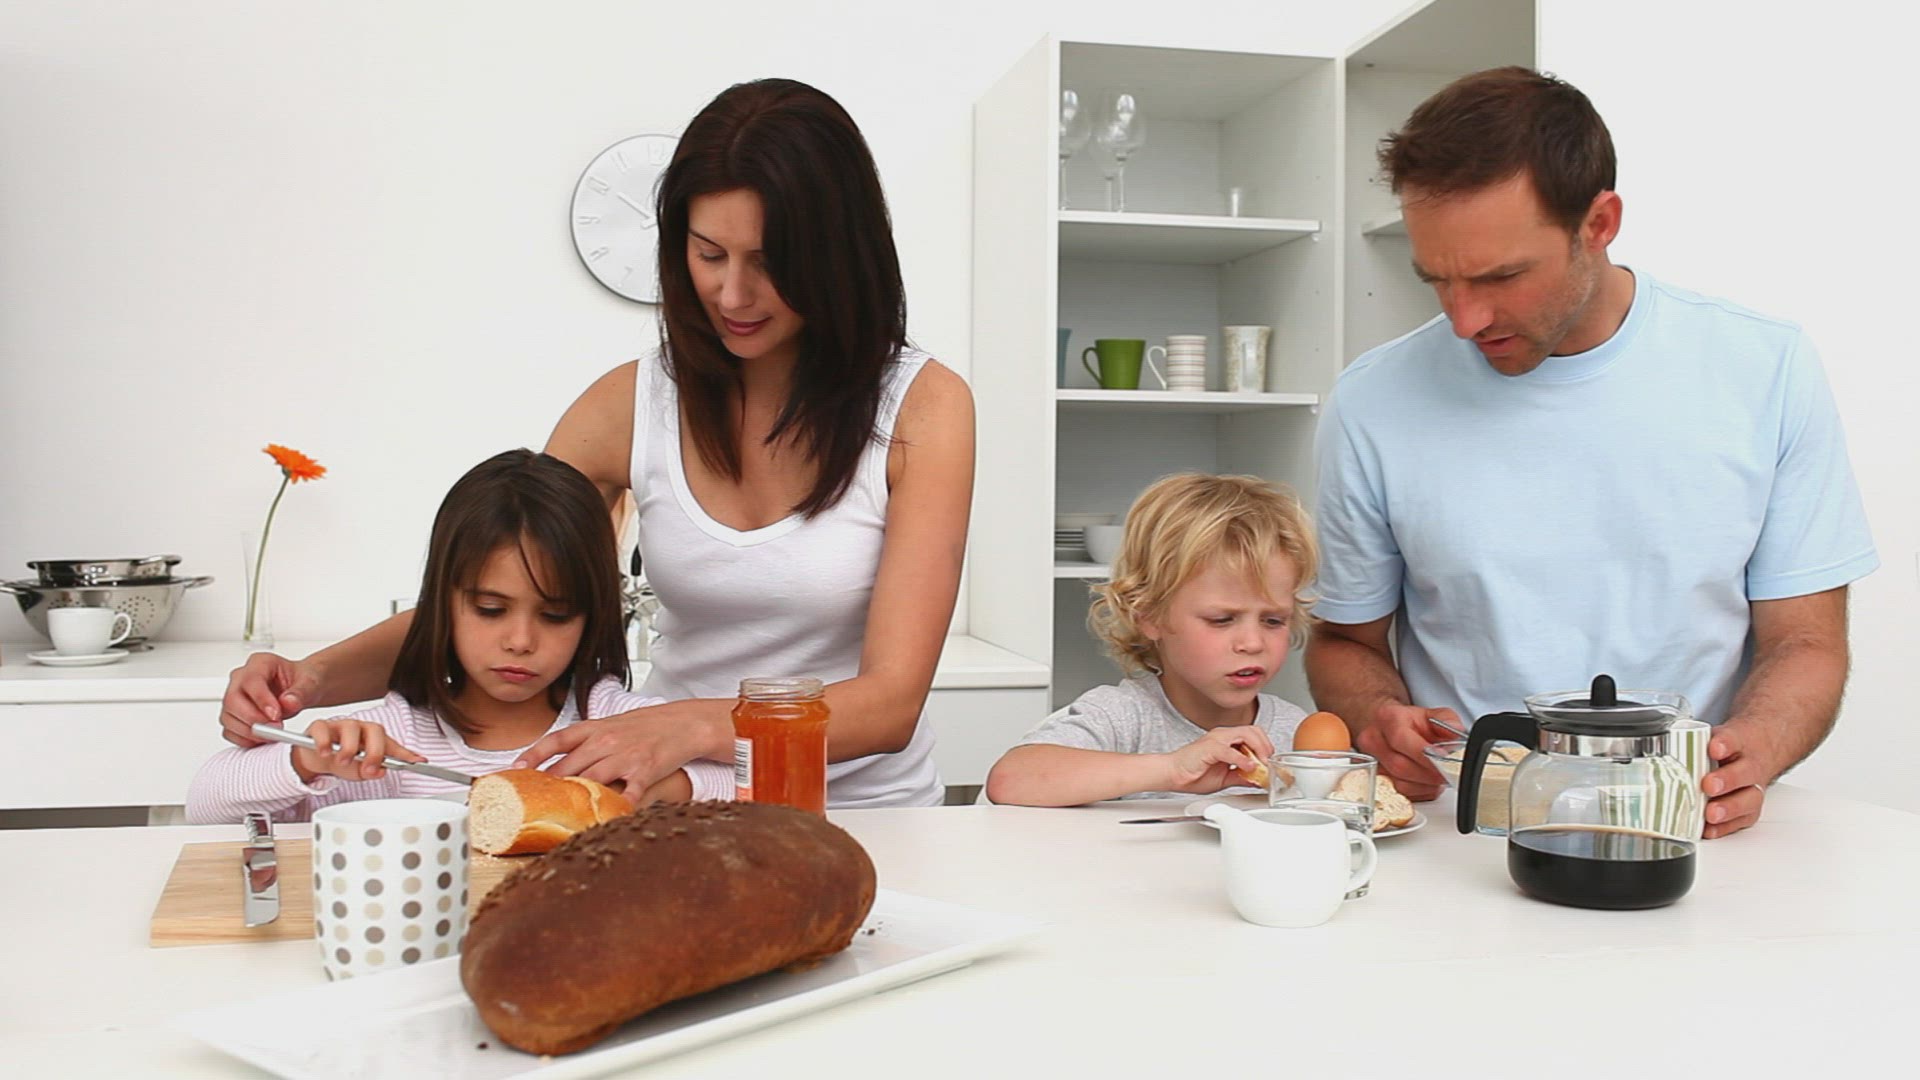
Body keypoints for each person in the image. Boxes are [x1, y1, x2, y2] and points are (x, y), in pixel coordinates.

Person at [213, 78, 975, 809]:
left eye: (770, 264)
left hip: (867, 809)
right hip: (674, 802)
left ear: (838, 256)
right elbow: (496, 585)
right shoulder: (630, 405)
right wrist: (308, 680)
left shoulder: (925, 410)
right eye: (709, 254)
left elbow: (890, 702)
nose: (733, 295)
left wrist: (690, 726)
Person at [1303, 67, 1877, 839]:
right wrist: (1378, 715)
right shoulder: (1373, 401)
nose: (1465, 320)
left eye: (1502, 276)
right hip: (1462, 835)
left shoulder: (1764, 369)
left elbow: (1806, 642)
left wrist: (1754, 750)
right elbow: (1345, 640)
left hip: (1688, 829)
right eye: (1438, 279)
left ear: (1599, 223)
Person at [187, 450, 727, 824]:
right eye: (490, 609)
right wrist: (307, 762)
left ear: (593, 617)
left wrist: (668, 788)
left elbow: (753, 785)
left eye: (556, 615)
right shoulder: (391, 740)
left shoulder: (617, 728)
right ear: (442, 603)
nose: (520, 641)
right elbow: (205, 806)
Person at [985, 474, 1316, 805]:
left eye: (1274, 621)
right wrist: (1173, 768)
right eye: (1221, 620)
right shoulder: (1122, 717)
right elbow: (1011, 780)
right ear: (1149, 616)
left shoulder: (1294, 730)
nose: (1253, 643)